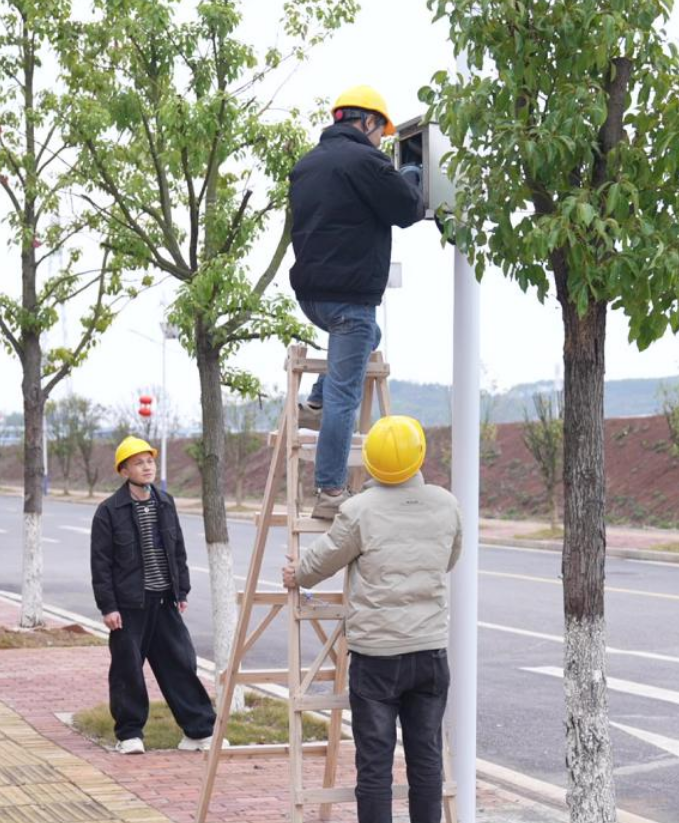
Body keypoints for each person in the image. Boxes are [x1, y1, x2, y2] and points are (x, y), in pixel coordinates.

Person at [281, 416, 461, 823]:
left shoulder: (359, 509)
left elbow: (324, 558)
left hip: (377, 658)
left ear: (371, 464)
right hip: (430, 652)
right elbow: (449, 559)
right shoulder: (446, 503)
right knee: (427, 761)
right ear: (419, 457)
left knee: (376, 766)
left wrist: (298, 572)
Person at [288, 84, 425, 519]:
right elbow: (407, 210)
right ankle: (329, 492)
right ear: (367, 122)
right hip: (350, 299)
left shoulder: (307, 164)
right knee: (347, 397)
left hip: (312, 298)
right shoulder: (367, 161)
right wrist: (413, 174)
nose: (382, 140)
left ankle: (314, 403)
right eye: (380, 132)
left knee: (369, 335)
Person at [90, 436, 217, 755]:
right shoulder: (109, 511)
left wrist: (181, 590)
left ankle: (198, 732)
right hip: (129, 607)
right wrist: (108, 606)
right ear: (124, 470)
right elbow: (101, 563)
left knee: (181, 664)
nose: (147, 467)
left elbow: (177, 549)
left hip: (164, 602)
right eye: (138, 463)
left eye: (149, 461)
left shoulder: (165, 502)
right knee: (127, 670)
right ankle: (130, 734)